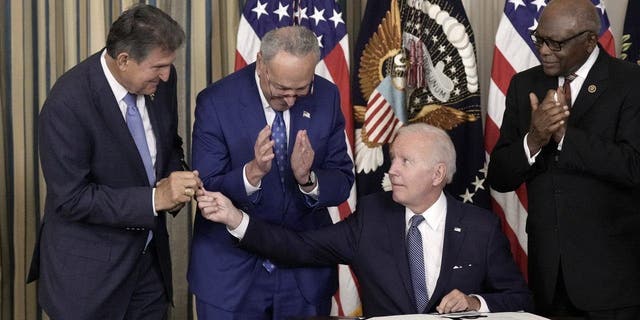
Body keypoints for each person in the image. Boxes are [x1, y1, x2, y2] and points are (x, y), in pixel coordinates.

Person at [196, 123, 532, 317]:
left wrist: (475, 302)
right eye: (392, 159)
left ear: (437, 173)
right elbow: (298, 247)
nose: (391, 169)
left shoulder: (479, 227)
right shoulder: (372, 216)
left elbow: (519, 298)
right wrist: (235, 218)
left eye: (405, 161)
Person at [26, 4, 201, 319]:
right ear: (123, 60)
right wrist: (155, 198)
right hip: (89, 278)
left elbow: (168, 143)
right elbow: (71, 199)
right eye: (158, 66)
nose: (166, 74)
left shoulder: (163, 80)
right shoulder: (67, 104)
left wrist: (178, 181)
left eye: (168, 65)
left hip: (148, 269)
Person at [188, 26, 354, 319]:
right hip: (232, 274)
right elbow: (206, 189)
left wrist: (308, 180)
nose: (291, 99)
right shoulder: (216, 101)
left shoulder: (326, 96)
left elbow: (342, 180)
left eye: (301, 89)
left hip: (303, 273)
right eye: (281, 89)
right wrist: (251, 174)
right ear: (261, 63)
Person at [487, 0, 640, 318]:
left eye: (555, 43)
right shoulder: (524, 85)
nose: (543, 50)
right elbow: (500, 176)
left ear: (588, 40)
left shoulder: (629, 82)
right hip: (548, 279)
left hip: (613, 282)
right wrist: (535, 138)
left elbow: (633, 166)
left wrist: (565, 136)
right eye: (539, 39)